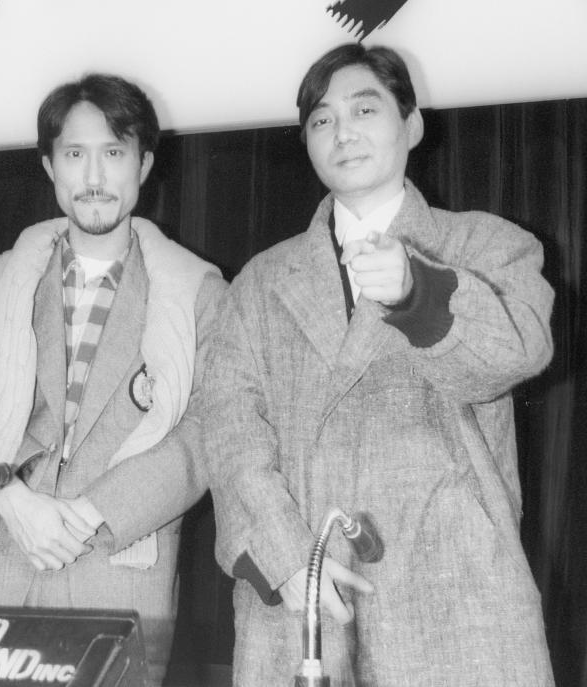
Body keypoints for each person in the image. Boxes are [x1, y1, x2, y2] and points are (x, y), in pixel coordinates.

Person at [204, 43, 555, 685]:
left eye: (365, 109)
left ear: (412, 125)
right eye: (322, 120)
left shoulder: (488, 245)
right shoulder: (259, 282)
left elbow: (518, 351)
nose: (343, 132)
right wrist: (282, 559)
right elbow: (228, 433)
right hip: (302, 600)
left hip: (455, 593)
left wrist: (420, 292)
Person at [0, 73, 226, 685]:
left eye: (114, 153)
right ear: (49, 167)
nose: (94, 176)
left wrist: (94, 511)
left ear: (145, 164)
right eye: (75, 154)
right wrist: (12, 498)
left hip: (119, 565)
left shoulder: (199, 290)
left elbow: (209, 432)